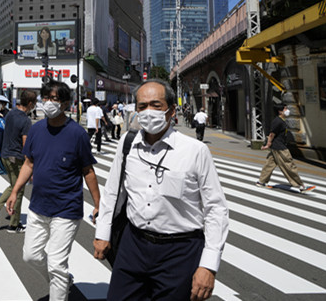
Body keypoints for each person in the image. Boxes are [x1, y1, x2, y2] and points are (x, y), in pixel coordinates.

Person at [93, 79, 229, 301]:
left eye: (156, 105)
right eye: (142, 106)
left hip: (180, 251)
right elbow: (111, 191)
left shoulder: (195, 151)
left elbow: (216, 209)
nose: (148, 112)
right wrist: (102, 233)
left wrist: (208, 265)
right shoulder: (127, 144)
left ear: (171, 109)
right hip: (133, 244)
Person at [6, 81, 101, 301]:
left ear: (66, 104)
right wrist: (14, 191)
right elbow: (29, 163)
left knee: (57, 263)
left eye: (55, 99)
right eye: (46, 97)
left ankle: (59, 288)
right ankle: (62, 281)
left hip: (67, 209)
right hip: (39, 206)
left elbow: (88, 171)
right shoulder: (36, 129)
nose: (48, 103)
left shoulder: (77, 134)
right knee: (30, 256)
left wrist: (98, 204)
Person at [0, 90, 36, 233]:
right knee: (18, 188)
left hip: (5, 154)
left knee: (14, 186)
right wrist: (30, 164)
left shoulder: (11, 114)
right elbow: (25, 144)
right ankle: (13, 224)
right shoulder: (26, 120)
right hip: (17, 158)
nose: (34, 106)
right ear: (30, 103)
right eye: (34, 104)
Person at [256, 104, 315, 193]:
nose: (287, 110)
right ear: (280, 111)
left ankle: (261, 182)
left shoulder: (282, 121)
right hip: (280, 148)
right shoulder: (278, 121)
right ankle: (301, 186)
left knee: (269, 164)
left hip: (276, 147)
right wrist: (268, 144)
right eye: (285, 108)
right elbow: (272, 134)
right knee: (289, 165)